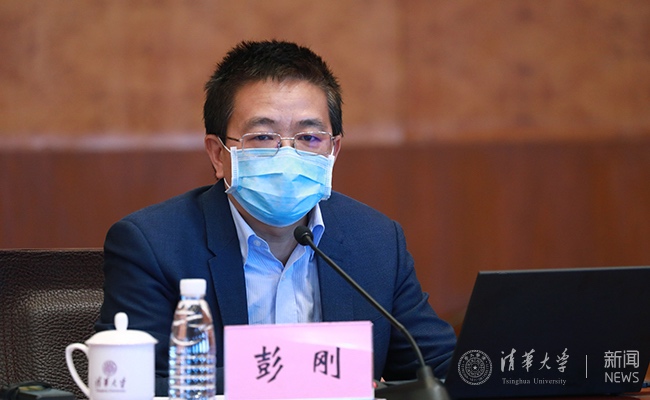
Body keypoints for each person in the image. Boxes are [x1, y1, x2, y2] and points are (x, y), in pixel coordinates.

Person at [96, 40, 456, 396]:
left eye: (309, 137)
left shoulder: (376, 241)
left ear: (333, 150)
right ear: (218, 154)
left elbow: (441, 370)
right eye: (263, 136)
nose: (288, 155)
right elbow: (133, 384)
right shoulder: (153, 245)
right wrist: (299, 375)